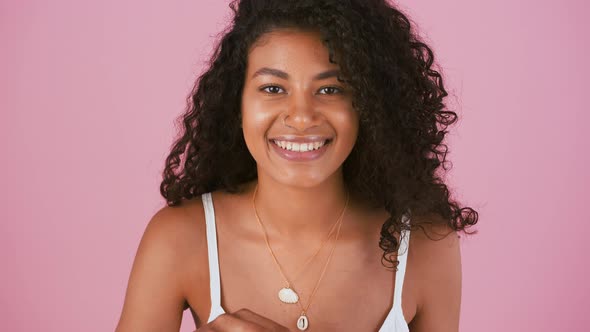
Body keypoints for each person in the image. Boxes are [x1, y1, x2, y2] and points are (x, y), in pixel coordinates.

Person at [115, 0, 478, 331]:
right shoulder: (179, 239)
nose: (301, 117)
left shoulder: (426, 246)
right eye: (273, 88)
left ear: (368, 106)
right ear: (236, 104)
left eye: (330, 89)